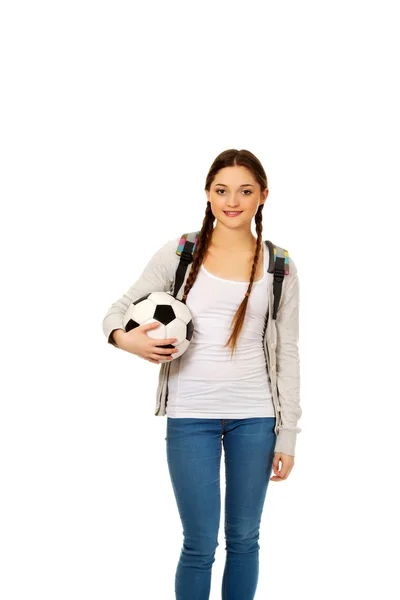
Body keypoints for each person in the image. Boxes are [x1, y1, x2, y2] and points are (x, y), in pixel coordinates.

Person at [102, 148, 302, 600]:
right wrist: (126, 339)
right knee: (198, 545)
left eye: (245, 191)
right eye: (222, 190)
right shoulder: (182, 252)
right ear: (208, 195)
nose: (232, 201)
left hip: (256, 418)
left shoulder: (280, 266)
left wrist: (287, 434)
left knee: (244, 540)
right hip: (190, 417)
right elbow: (116, 311)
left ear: (263, 196)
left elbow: (288, 353)